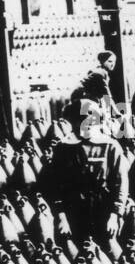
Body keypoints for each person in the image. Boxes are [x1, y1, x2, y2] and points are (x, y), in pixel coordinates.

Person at [37, 96, 129, 244]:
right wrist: (61, 217)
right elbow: (54, 187)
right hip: (74, 216)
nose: (85, 126)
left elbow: (120, 184)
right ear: (73, 123)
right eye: (79, 122)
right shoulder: (63, 149)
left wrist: (115, 215)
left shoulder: (110, 147)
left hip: (104, 214)